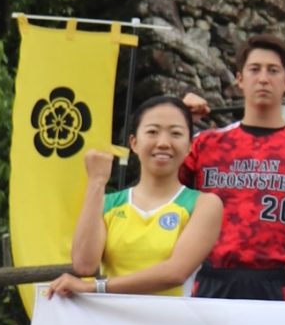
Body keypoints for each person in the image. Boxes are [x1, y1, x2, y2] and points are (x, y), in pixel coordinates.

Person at [179, 36, 285, 301]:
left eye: (273, 70)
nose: (263, 79)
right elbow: (161, 193)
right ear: (240, 79)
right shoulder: (204, 144)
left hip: (280, 286)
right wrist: (179, 121)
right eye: (255, 69)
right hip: (210, 282)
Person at [48, 97, 223, 298]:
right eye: (152, 132)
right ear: (134, 143)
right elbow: (84, 265)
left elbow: (175, 273)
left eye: (176, 133)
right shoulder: (108, 204)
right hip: (111, 317)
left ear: (190, 145)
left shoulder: (204, 204)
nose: (163, 143)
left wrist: (96, 287)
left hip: (171, 318)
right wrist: (96, 181)